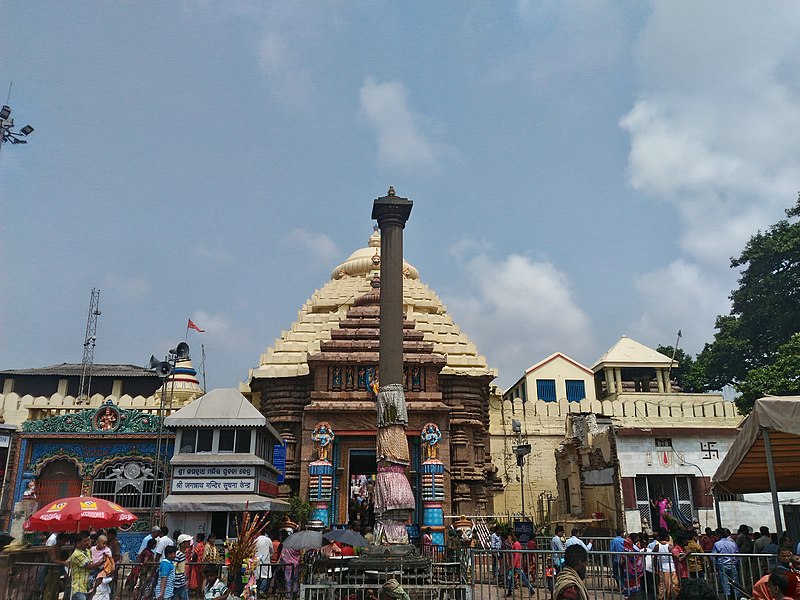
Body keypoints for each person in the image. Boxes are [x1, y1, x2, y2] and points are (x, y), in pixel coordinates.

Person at [68, 532, 106, 600]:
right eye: (85, 541)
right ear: (78, 543)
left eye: (88, 540)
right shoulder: (77, 554)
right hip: (79, 588)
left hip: (87, 586)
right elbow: (90, 566)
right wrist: (102, 561)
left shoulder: (88, 551)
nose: (88, 542)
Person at [712, 529, 740, 600]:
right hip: (732, 565)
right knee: (735, 584)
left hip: (723, 565)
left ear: (719, 535)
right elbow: (737, 555)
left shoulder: (717, 544)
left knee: (725, 585)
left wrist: (716, 564)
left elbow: (712, 556)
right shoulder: (733, 543)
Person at [656, 529, 677, 600]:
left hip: (662, 568)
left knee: (663, 586)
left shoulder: (657, 546)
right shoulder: (669, 546)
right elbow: (676, 555)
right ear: (666, 537)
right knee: (673, 585)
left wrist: (655, 566)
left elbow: (654, 555)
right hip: (671, 568)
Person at [621, 533, 644, 598]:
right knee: (629, 585)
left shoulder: (635, 546)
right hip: (629, 569)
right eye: (636, 538)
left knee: (635, 585)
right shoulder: (628, 546)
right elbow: (631, 556)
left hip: (633, 569)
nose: (638, 539)